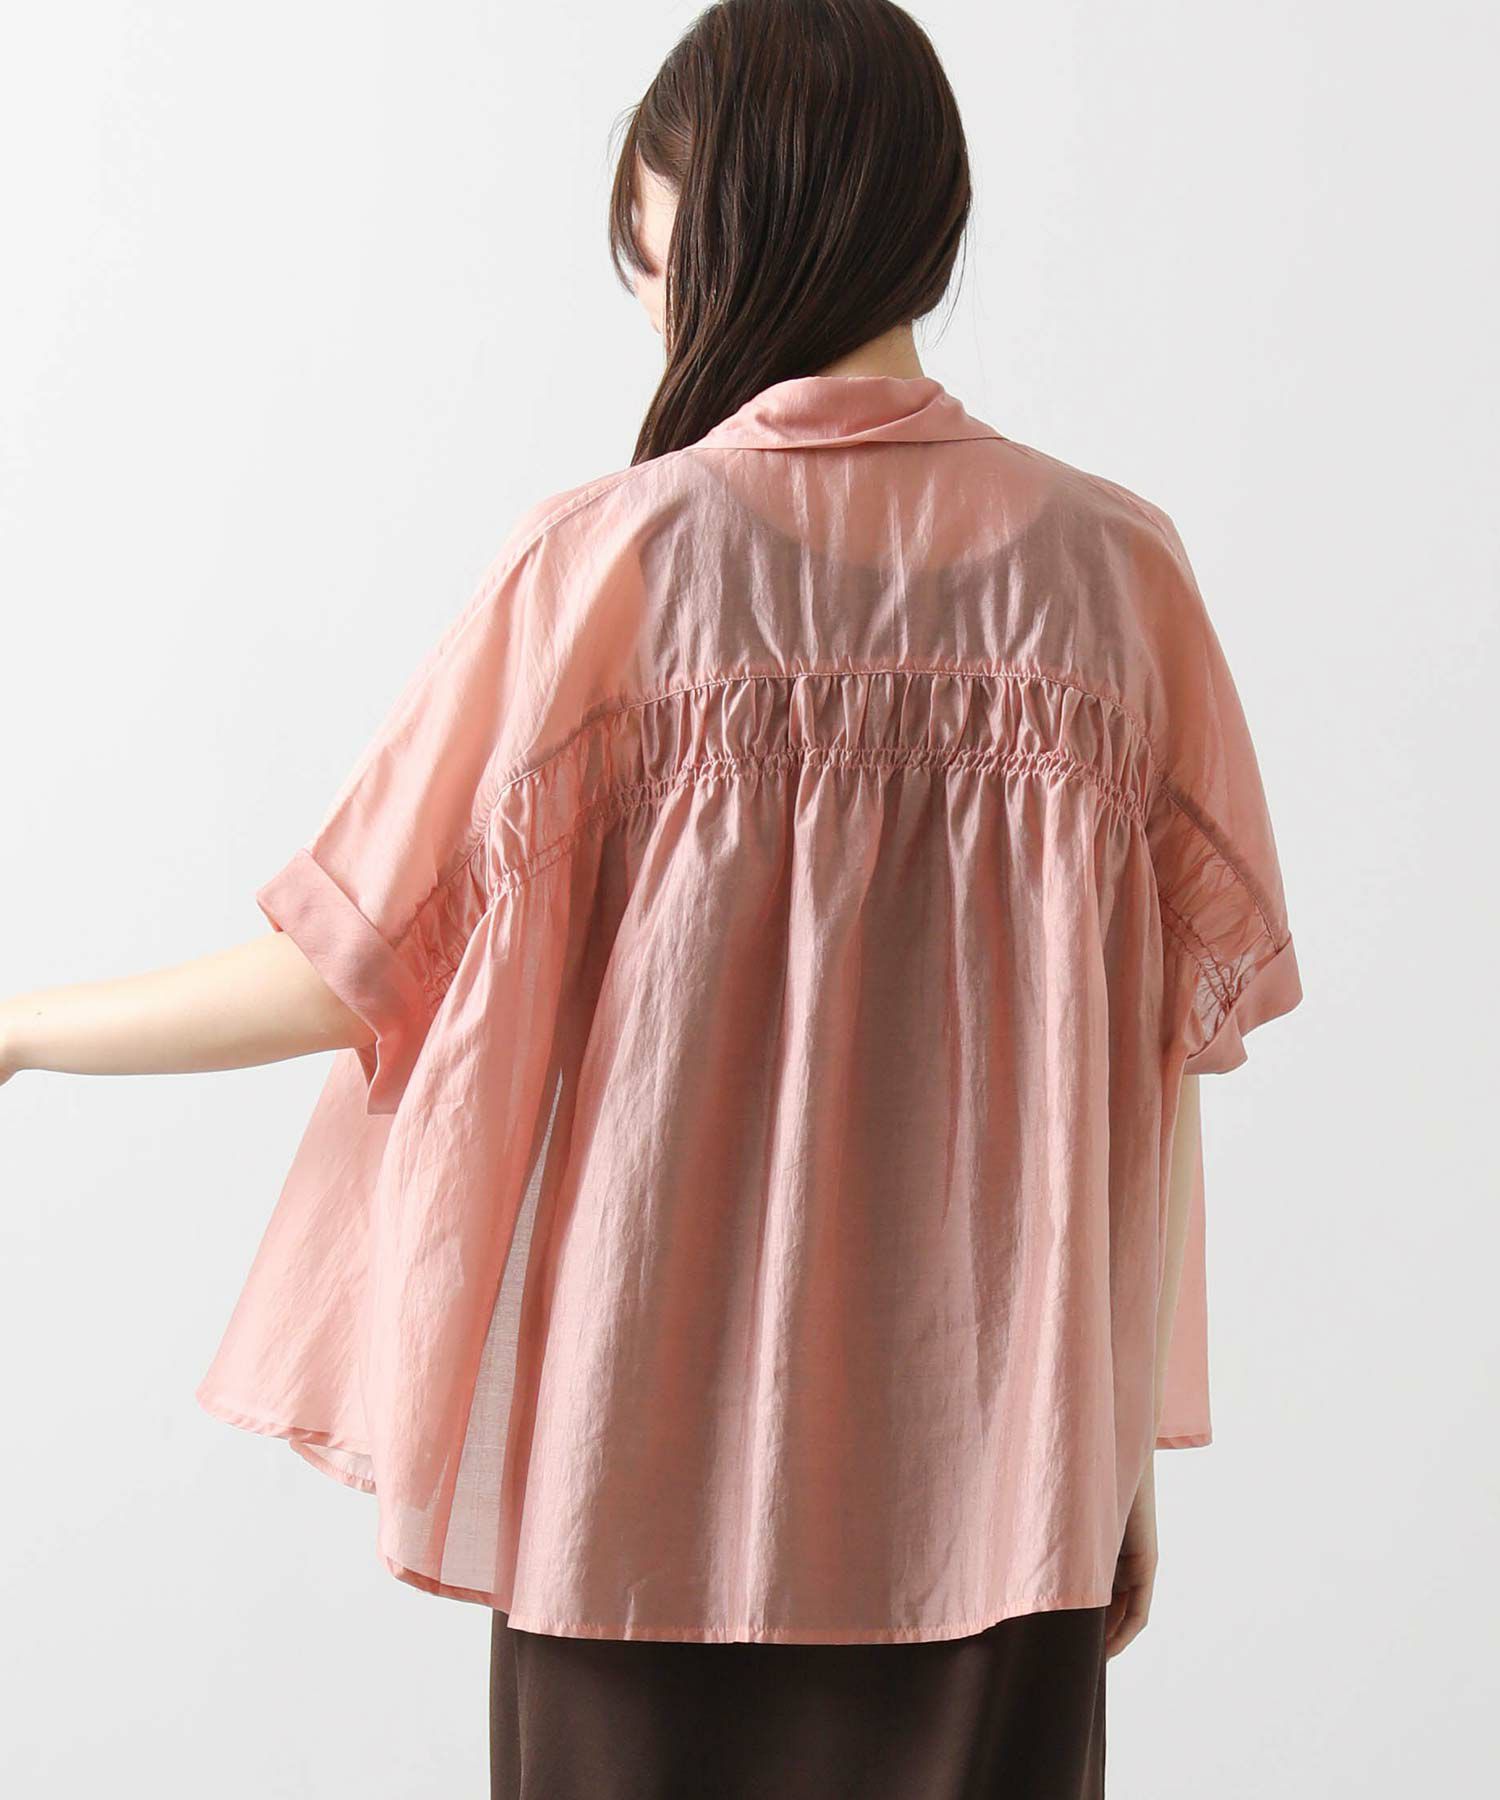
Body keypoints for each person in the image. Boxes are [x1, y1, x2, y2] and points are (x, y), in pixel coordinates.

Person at [0, 1, 1303, 1794]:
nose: (651, 297)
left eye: (650, 247)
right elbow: (1150, 1069)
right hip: (1006, 1502)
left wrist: (23, 1028)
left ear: (727, 226)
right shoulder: (1121, 580)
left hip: (633, 1502)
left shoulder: (606, 566)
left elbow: (345, 964)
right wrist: (1123, 1456)